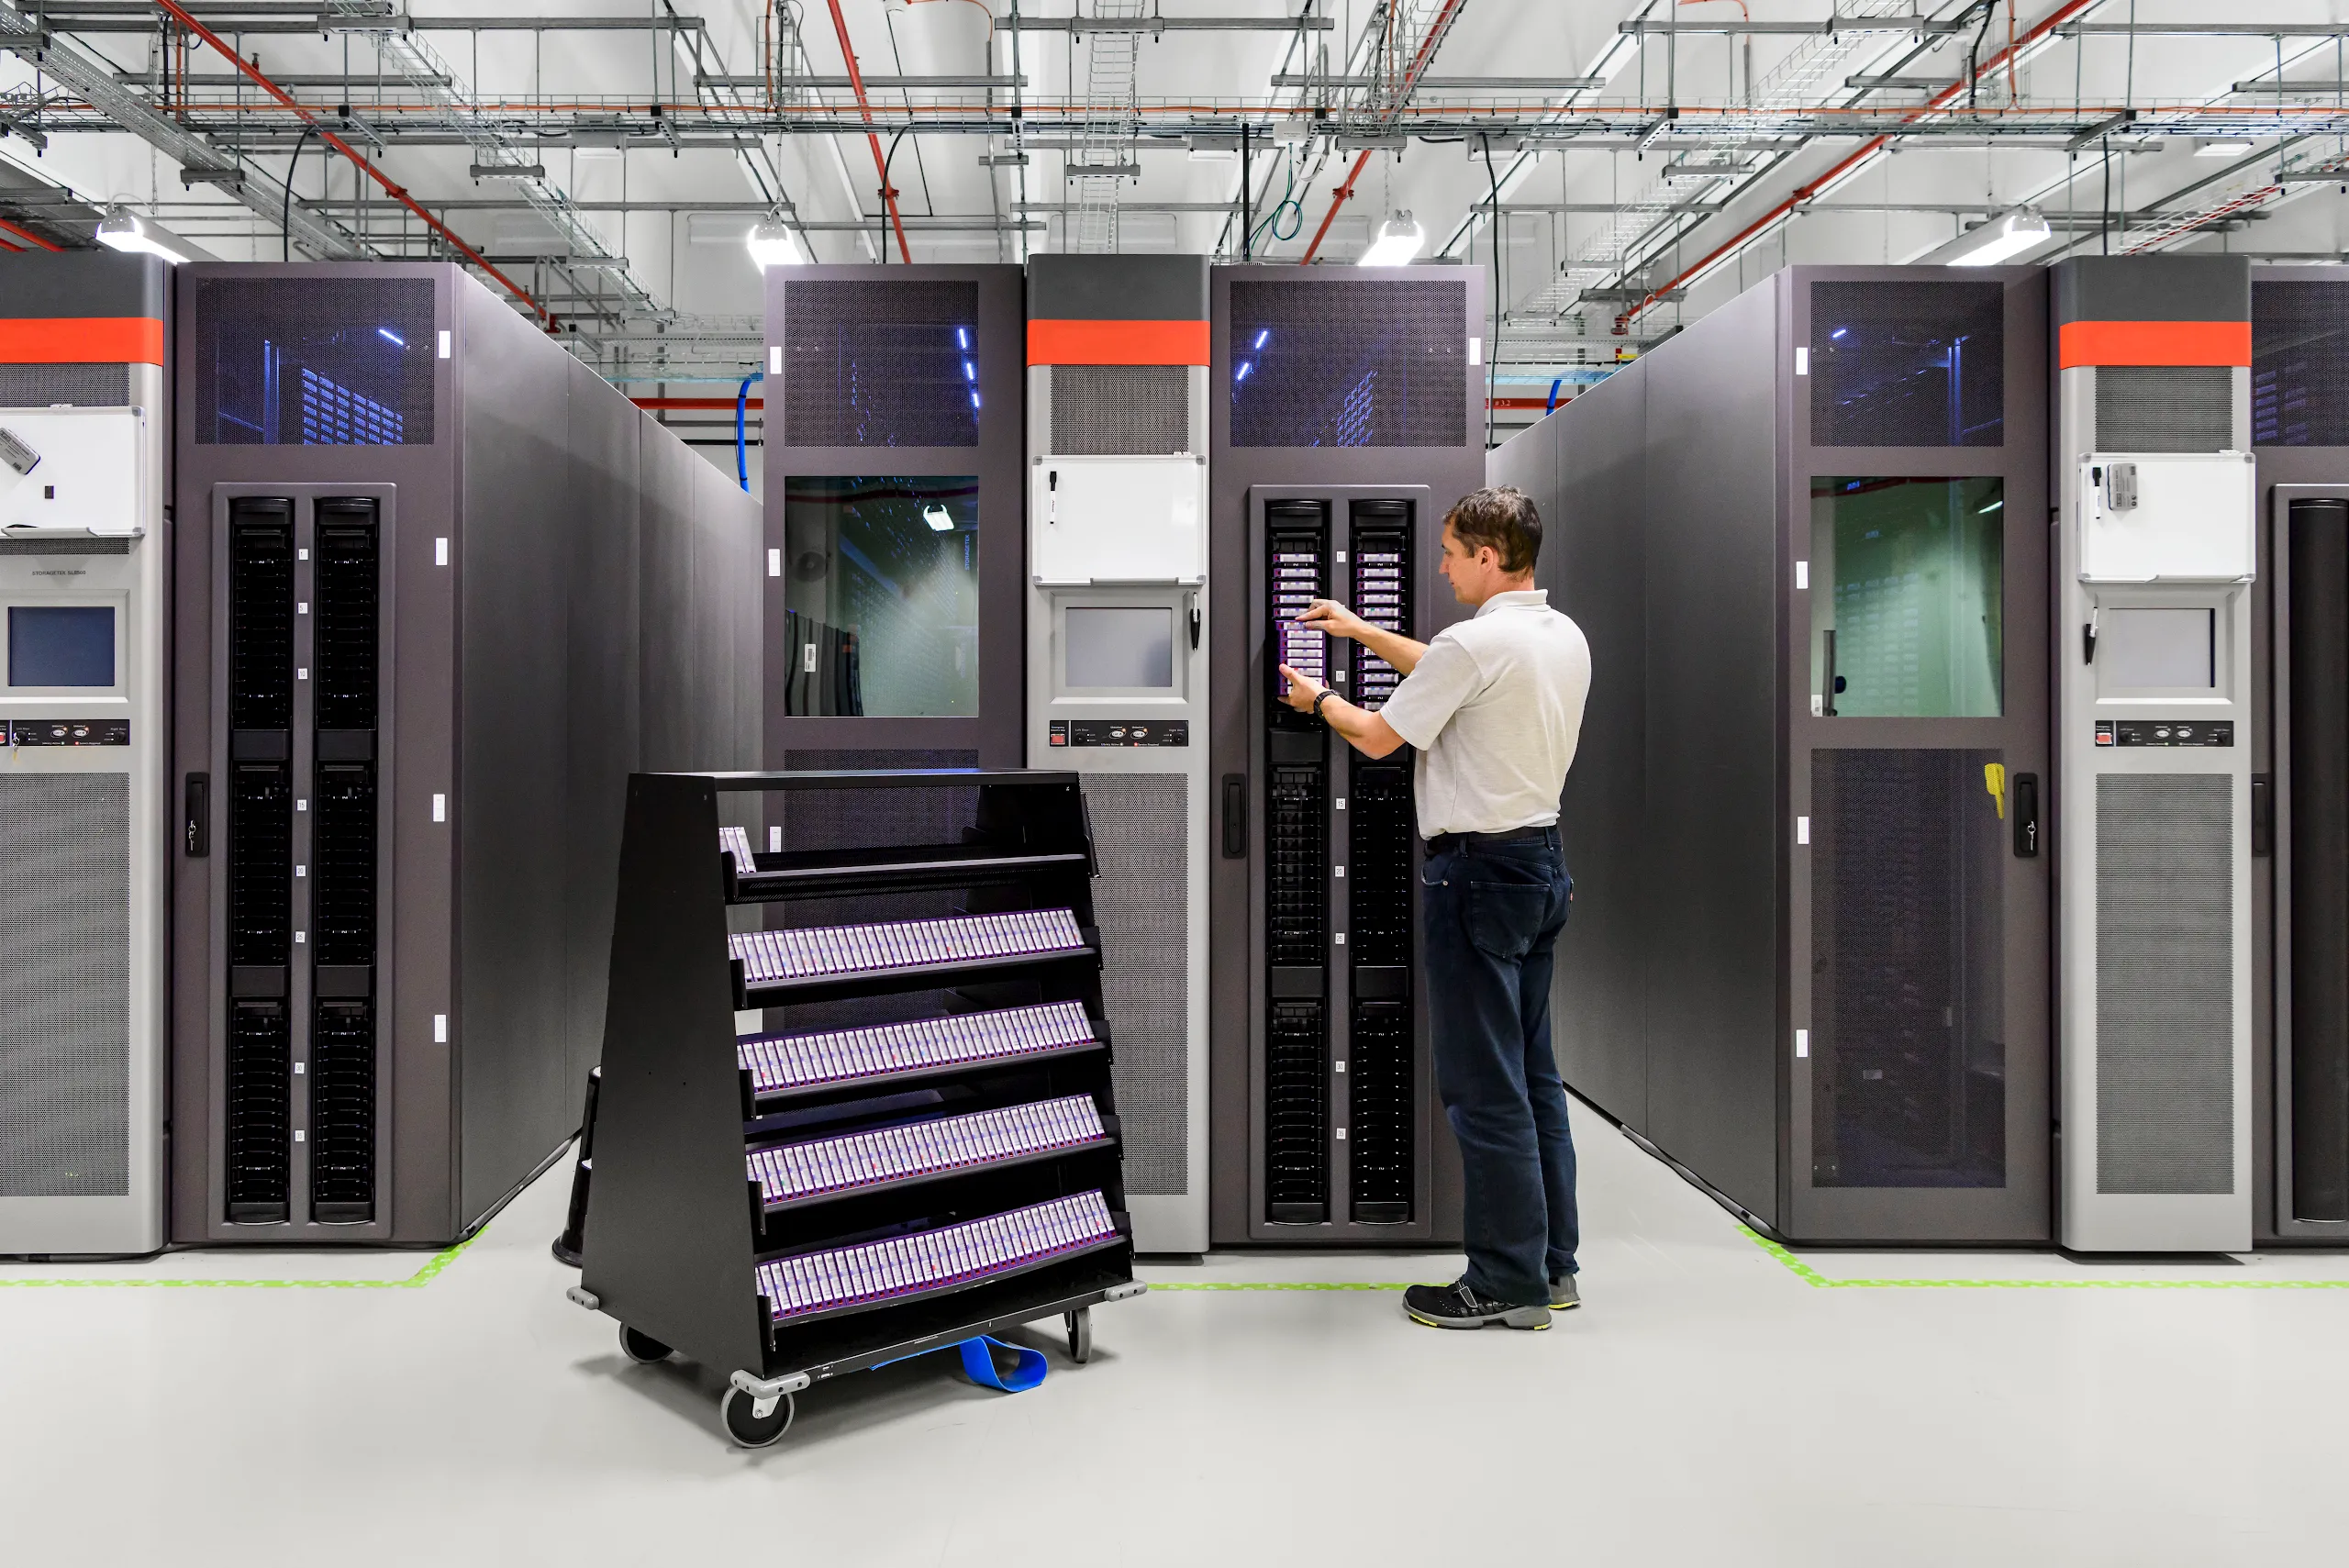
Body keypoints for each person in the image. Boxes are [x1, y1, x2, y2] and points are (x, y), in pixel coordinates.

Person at [1277, 485, 1591, 1331]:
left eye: (1453, 552)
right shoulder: (1558, 635)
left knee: (1482, 1087)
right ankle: (1551, 1267)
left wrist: (1316, 701)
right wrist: (1362, 629)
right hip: (1541, 868)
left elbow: (1380, 736)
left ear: (1490, 556)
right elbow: (1458, 669)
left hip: (1477, 878)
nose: (1443, 564)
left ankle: (1502, 1282)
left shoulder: (1474, 642)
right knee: (1533, 1078)